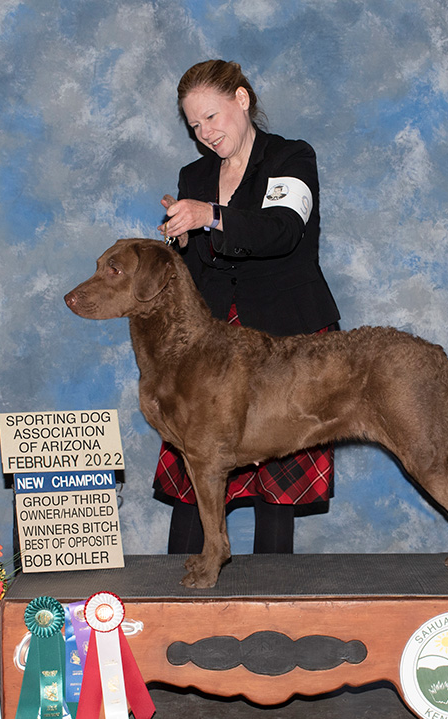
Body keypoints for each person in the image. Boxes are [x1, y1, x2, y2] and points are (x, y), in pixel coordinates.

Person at [155, 59, 341, 556]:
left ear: (242, 99)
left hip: (286, 337)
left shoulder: (291, 157)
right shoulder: (194, 174)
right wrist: (178, 240)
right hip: (213, 342)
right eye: (194, 125)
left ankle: (271, 600)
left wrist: (209, 215)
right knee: (196, 462)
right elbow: (194, 270)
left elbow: (282, 230)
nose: (205, 134)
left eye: (211, 117)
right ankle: (179, 591)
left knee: (280, 470)